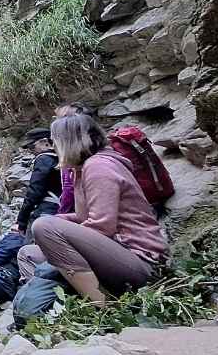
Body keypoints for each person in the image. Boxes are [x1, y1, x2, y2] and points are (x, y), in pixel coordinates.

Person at [17, 114, 169, 305]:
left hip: (141, 261)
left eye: (55, 141)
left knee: (43, 226)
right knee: (27, 253)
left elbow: (102, 227)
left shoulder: (99, 167)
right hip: (115, 254)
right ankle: (58, 307)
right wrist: (61, 222)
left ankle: (102, 306)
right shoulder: (80, 170)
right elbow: (85, 217)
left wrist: (52, 229)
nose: (54, 146)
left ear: (69, 141)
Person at [15, 128, 62, 242]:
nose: (31, 151)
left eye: (32, 146)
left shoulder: (44, 159)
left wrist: (21, 221)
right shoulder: (62, 158)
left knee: (30, 249)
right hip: (61, 209)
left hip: (46, 210)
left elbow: (34, 191)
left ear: (45, 142)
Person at [52, 102, 97, 215]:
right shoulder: (99, 148)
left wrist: (62, 214)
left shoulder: (74, 157)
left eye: (61, 118)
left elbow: (68, 188)